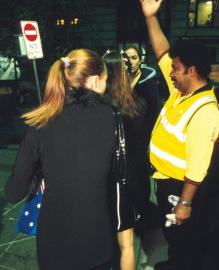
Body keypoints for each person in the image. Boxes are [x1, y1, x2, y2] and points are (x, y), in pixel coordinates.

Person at [5, 48, 117, 270]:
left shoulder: (40, 122)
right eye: (105, 79)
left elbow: (13, 192)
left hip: (55, 244)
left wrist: (39, 176)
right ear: (95, 80)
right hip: (97, 240)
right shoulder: (112, 118)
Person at [140, 1, 219, 270]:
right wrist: (150, 16)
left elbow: (198, 166)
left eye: (175, 68)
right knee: (175, 236)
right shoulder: (181, 91)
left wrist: (185, 203)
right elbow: (162, 50)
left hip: (182, 189)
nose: (170, 72)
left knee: (186, 239)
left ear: (192, 70)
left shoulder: (205, 110)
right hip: (167, 183)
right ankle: (175, 261)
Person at [102, 50, 137, 270]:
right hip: (127, 176)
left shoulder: (102, 107)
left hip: (108, 178)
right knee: (127, 243)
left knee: (107, 238)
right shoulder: (133, 103)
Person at [123, 44, 162, 225]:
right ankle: (134, 207)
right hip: (126, 136)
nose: (131, 62)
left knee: (140, 174)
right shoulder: (121, 80)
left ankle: (144, 210)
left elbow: (155, 110)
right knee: (130, 175)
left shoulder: (148, 81)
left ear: (141, 59)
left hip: (143, 136)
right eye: (127, 58)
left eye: (134, 57)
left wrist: (151, 139)